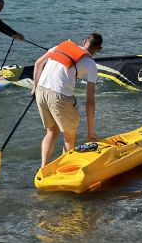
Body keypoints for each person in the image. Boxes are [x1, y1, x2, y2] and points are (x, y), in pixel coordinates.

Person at [32, 33, 103, 167]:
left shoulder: (61, 46)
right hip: (59, 96)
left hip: (41, 90)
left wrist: (35, 88)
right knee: (69, 137)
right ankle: (63, 170)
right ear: (99, 49)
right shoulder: (91, 64)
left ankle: (43, 168)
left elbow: (38, 64)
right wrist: (90, 131)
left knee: (51, 131)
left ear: (84, 42)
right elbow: (90, 101)